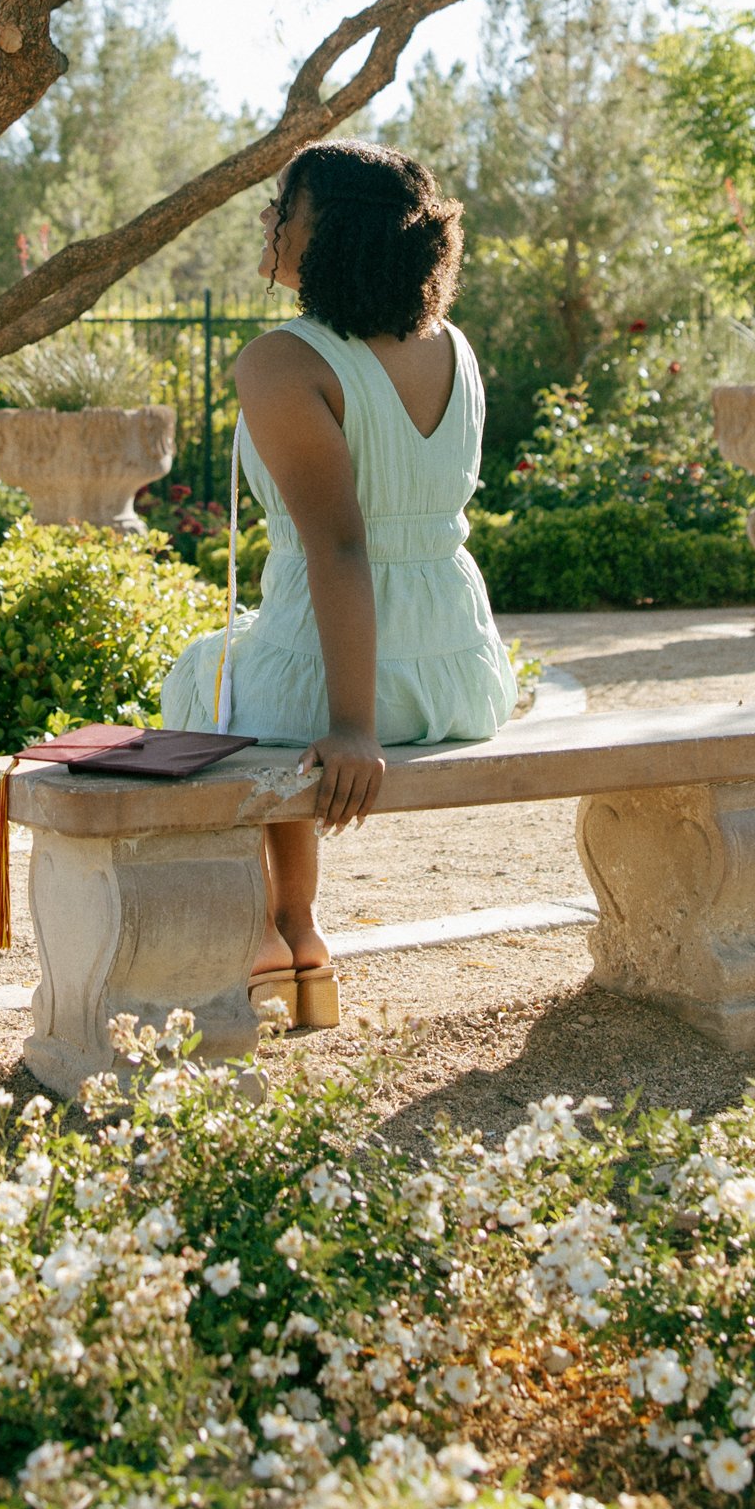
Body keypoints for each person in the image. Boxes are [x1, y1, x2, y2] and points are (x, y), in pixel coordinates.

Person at [158, 139, 517, 1031]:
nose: (269, 222)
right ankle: (296, 929)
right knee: (245, 670)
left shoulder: (285, 360)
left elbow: (342, 550)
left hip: (364, 689)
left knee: (211, 685)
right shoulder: (454, 346)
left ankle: (282, 927)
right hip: (459, 675)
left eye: (286, 207)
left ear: (334, 236)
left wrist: (353, 728)